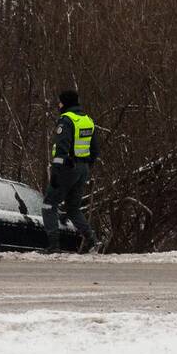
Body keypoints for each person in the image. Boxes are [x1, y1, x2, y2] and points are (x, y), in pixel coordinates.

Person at [43, 89, 100, 253]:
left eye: (60, 102)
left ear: (65, 103)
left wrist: (55, 171)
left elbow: (62, 147)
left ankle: (53, 246)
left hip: (67, 168)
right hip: (83, 169)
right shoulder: (88, 120)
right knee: (73, 208)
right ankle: (93, 241)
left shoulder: (66, 120)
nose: (58, 105)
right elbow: (95, 150)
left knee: (49, 204)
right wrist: (86, 167)